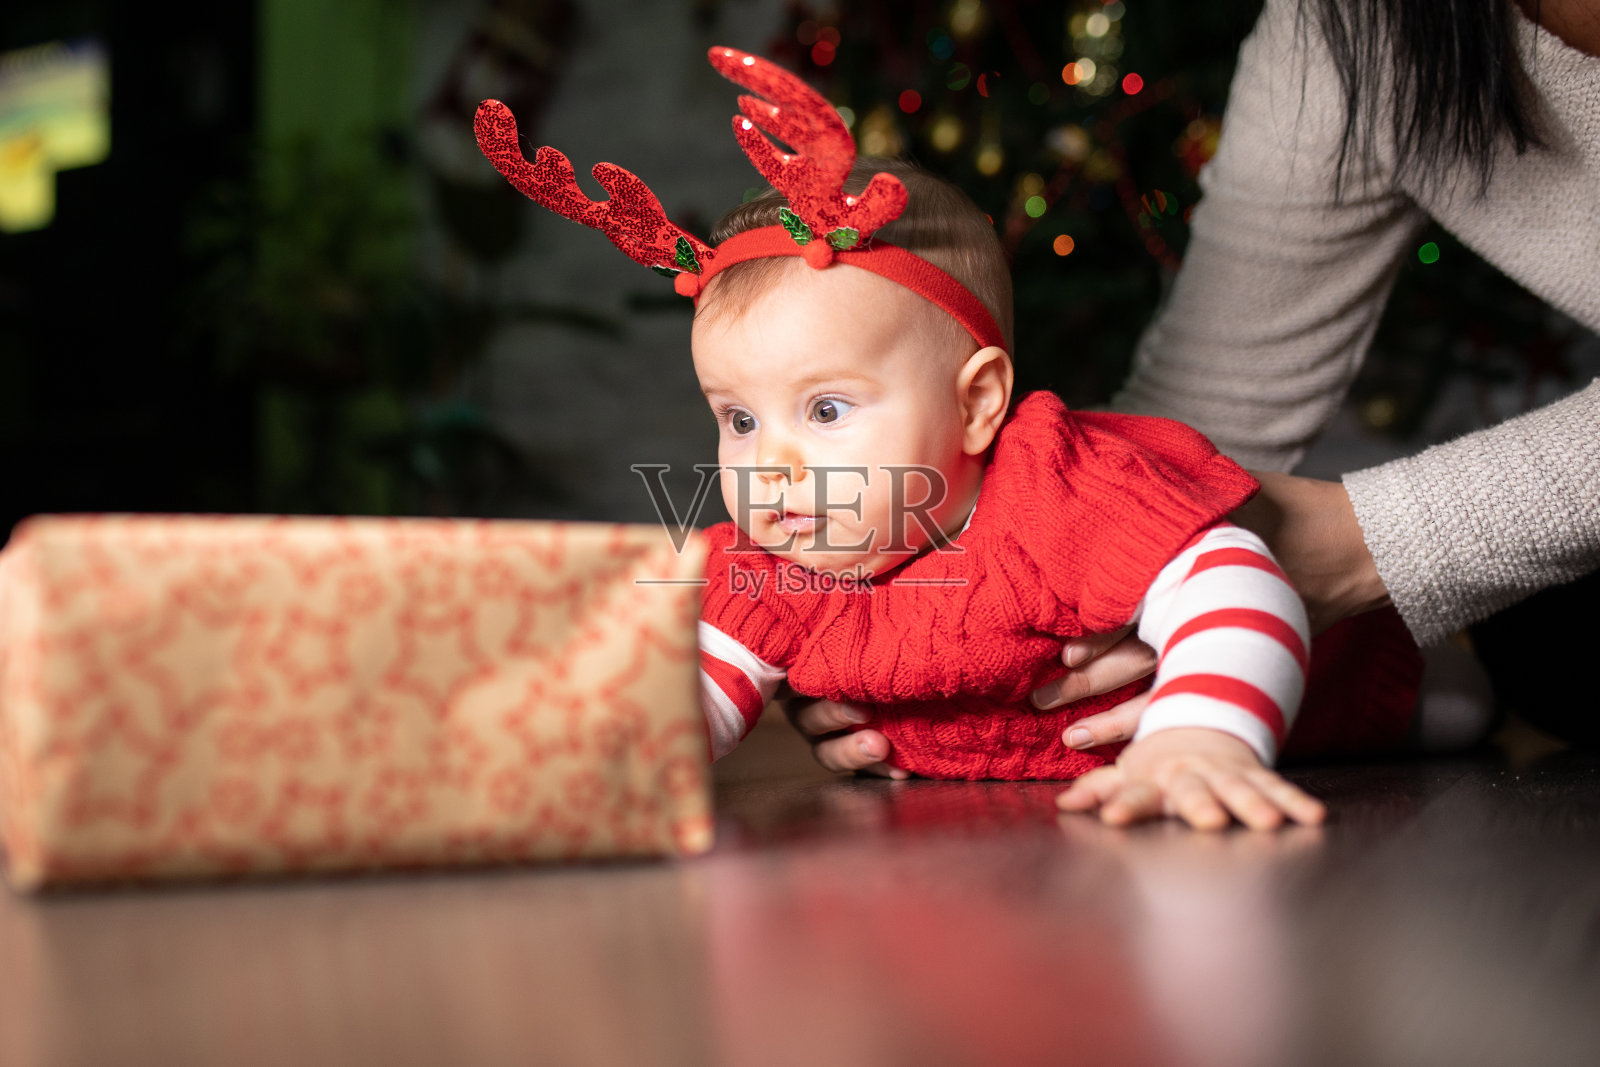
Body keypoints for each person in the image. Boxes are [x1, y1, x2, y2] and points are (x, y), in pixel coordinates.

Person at [475, 47, 1433, 828]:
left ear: (978, 405)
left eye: (825, 411)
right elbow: (693, 691)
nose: (770, 464)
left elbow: (1243, 577)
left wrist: (1204, 735)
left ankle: (1449, 697)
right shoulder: (777, 565)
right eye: (738, 417)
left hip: (1341, 691)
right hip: (1014, 829)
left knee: (1433, 714)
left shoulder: (1059, 494)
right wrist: (592, 760)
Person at [798, 0, 1600, 796]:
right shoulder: (1353, 27)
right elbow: (1208, 409)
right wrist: (888, 624)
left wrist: (1370, 540)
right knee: (1548, 650)